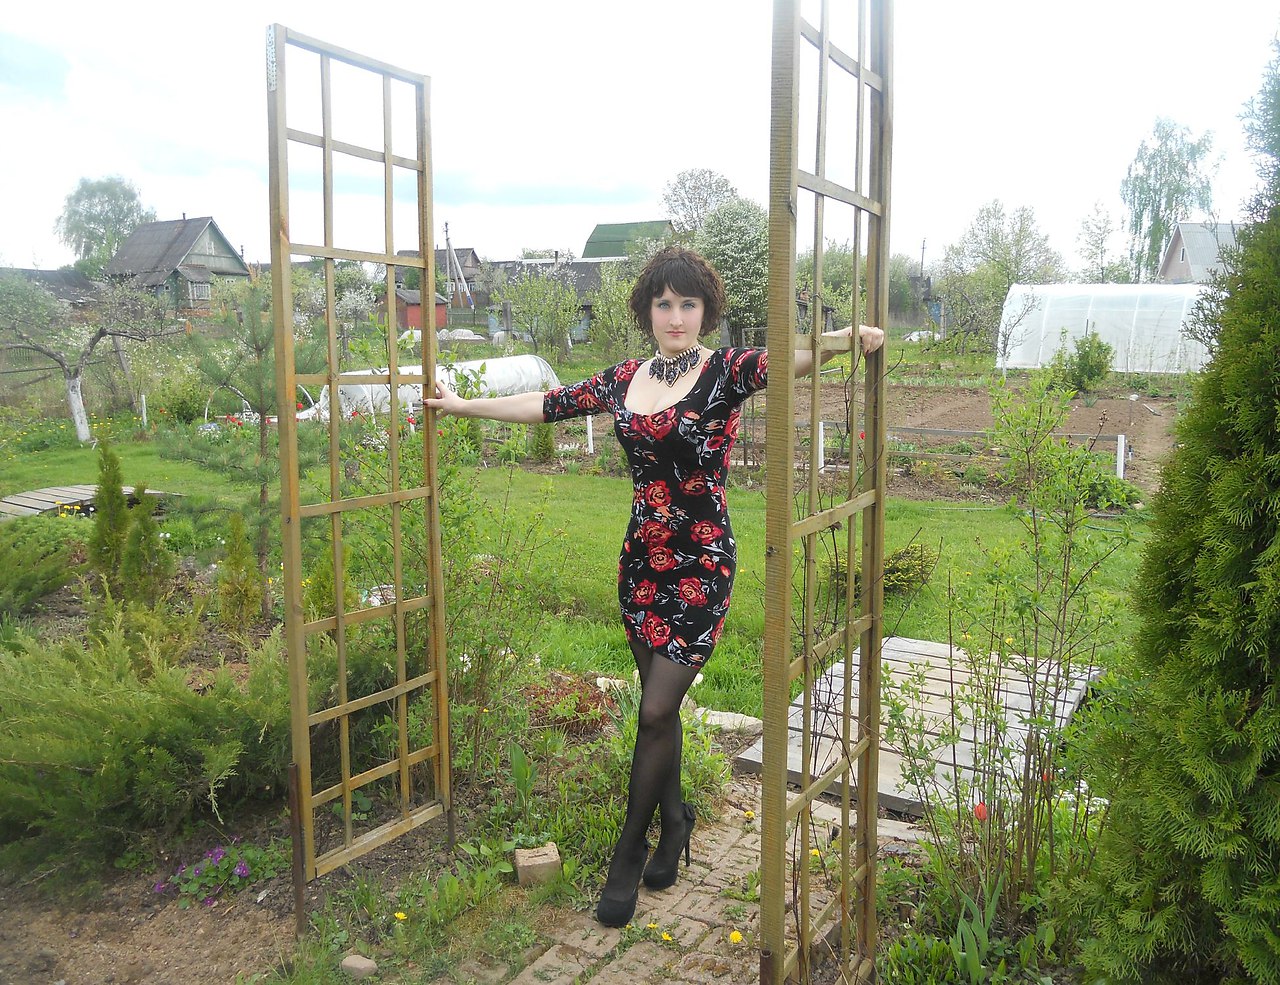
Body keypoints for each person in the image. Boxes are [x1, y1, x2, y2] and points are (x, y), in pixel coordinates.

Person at [426, 246, 885, 926]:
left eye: (687, 304)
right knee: (658, 713)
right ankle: (675, 821)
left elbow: (790, 357)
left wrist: (845, 338)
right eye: (664, 303)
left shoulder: (725, 371)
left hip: (701, 566)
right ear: (647, 310)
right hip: (641, 562)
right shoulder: (623, 379)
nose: (675, 317)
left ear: (706, 311)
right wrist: (463, 405)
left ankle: (628, 851)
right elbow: (547, 403)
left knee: (653, 710)